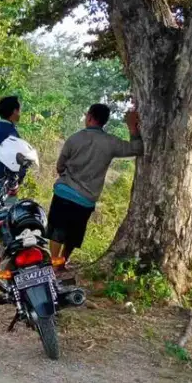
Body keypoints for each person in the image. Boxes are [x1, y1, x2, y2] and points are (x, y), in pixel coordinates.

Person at [48, 104, 143, 263]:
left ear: (90, 117)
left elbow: (60, 166)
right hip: (85, 199)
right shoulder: (111, 142)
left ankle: (53, 262)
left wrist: (66, 175)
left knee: (57, 230)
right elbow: (137, 149)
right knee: (74, 234)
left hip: (64, 191)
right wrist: (132, 127)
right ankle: (62, 262)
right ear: (104, 121)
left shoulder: (75, 138)